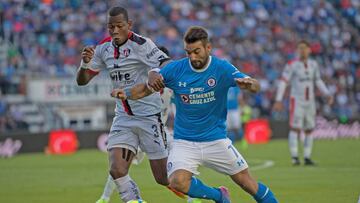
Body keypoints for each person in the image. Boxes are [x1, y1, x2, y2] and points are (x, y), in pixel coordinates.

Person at [112, 26, 278, 203]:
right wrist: (127, 94)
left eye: (196, 51)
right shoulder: (176, 70)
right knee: (177, 181)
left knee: (247, 183)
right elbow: (145, 90)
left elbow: (255, 85)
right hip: (185, 142)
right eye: (188, 52)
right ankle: (219, 196)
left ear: (208, 48)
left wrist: (250, 84)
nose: (192, 57)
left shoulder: (222, 68)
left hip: (216, 139)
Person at [76, 6, 183, 202]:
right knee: (117, 169)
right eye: (111, 27)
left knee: (165, 179)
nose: (115, 31)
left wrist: (155, 72)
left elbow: (168, 63)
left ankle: (215, 193)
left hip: (149, 118)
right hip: (123, 117)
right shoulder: (103, 48)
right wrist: (84, 64)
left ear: (129, 25)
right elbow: (82, 81)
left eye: (119, 26)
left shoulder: (142, 44)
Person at [273, 40, 333, 166]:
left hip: (310, 101)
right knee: (295, 128)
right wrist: (278, 100)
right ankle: (294, 157)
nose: (302, 50)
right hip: (297, 101)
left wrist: (327, 94)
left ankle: (307, 157)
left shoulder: (313, 64)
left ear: (309, 50)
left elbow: (317, 81)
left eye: (304, 48)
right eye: (300, 48)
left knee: (309, 129)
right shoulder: (291, 64)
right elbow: (284, 82)